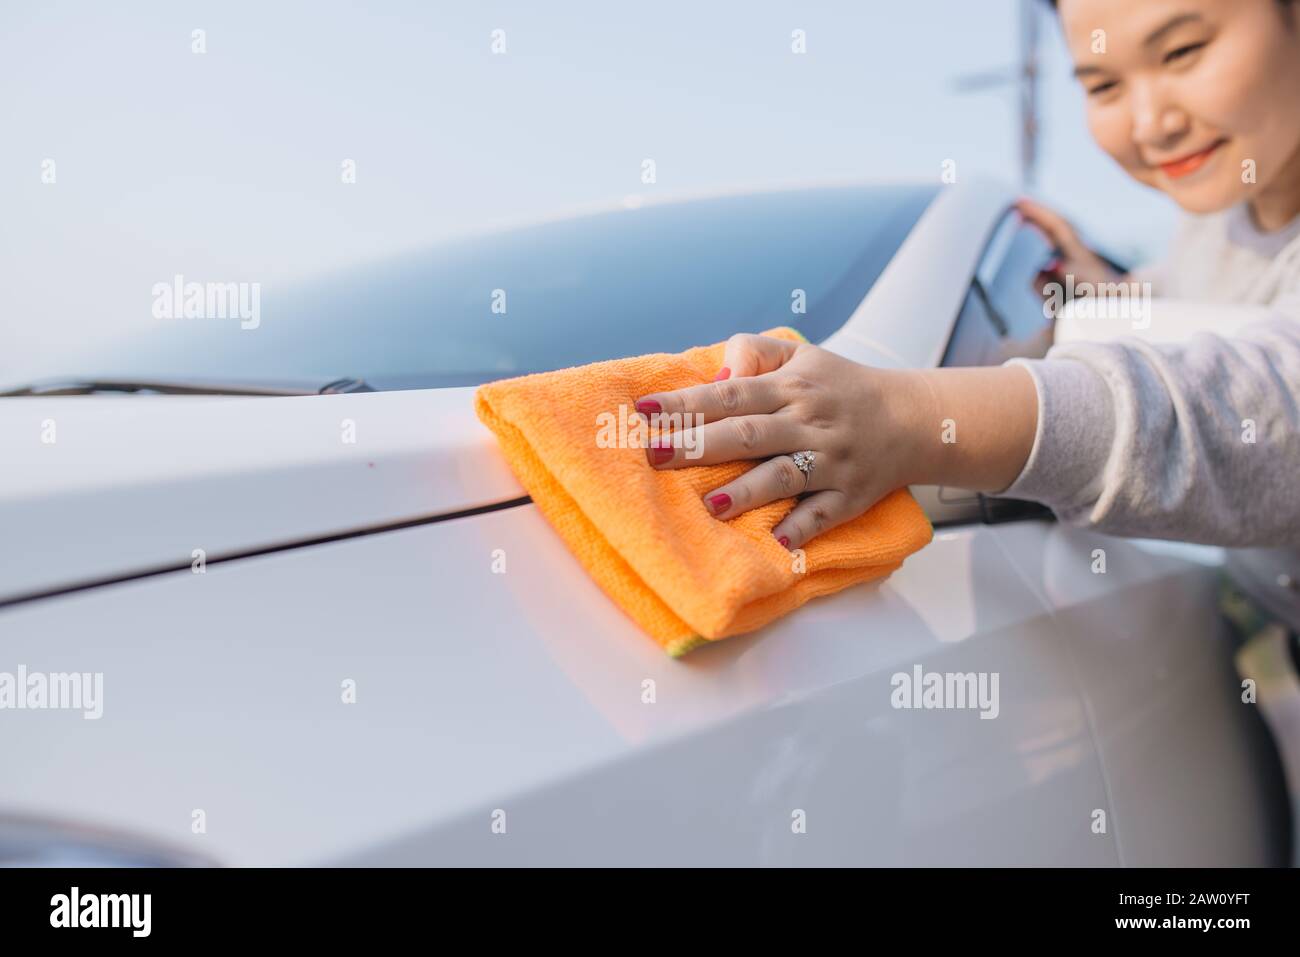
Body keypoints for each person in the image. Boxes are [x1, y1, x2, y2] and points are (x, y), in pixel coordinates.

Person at [635, 0, 1300, 861]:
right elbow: (1210, 323)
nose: (1150, 120)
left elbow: (1251, 404)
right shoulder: (1220, 216)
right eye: (1101, 81)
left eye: (1183, 49)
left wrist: (910, 417)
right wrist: (1112, 301)